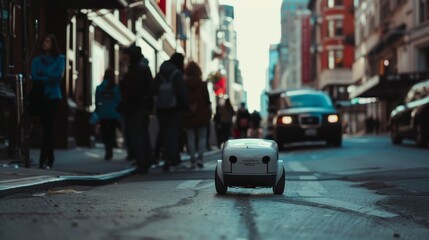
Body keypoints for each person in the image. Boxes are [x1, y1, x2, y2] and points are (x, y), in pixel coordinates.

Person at [116, 44, 153, 174]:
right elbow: (150, 88)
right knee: (143, 134)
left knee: (137, 136)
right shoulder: (143, 68)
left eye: (126, 56)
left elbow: (131, 92)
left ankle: (141, 163)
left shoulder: (135, 70)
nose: (124, 58)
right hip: (142, 108)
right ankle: (146, 161)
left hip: (135, 109)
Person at [30, 34, 65, 169]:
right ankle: (50, 158)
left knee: (48, 127)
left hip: (53, 97)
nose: (45, 43)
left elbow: (57, 77)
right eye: (44, 41)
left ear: (53, 44)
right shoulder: (37, 60)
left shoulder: (60, 59)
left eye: (48, 41)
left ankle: (42, 160)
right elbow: (34, 75)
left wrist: (43, 75)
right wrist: (48, 76)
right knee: (45, 128)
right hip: (40, 97)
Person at [154, 52, 189, 172]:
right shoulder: (177, 74)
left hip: (161, 108)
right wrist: (185, 105)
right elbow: (181, 92)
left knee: (163, 132)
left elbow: (154, 88)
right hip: (174, 108)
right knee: (172, 134)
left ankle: (158, 156)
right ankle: (172, 158)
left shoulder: (161, 73)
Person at [183, 61, 211, 169]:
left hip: (189, 113)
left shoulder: (184, 83)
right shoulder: (202, 84)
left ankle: (192, 160)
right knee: (202, 138)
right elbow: (207, 100)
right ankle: (200, 158)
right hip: (201, 113)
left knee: (190, 137)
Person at [95, 69, 121, 160]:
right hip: (113, 114)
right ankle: (110, 149)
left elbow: (97, 102)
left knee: (105, 133)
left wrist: (97, 112)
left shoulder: (99, 88)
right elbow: (118, 101)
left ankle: (107, 149)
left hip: (103, 114)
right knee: (112, 133)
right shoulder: (116, 88)